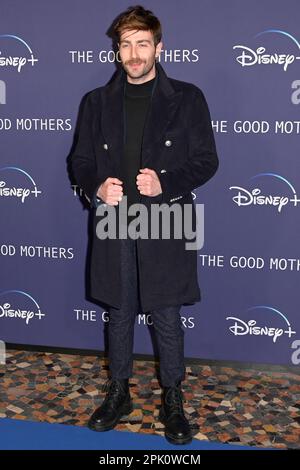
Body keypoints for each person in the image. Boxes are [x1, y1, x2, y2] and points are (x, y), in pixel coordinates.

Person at [70, 5, 218, 445]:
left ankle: (173, 399)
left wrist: (166, 182)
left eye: (142, 44)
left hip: (166, 217)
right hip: (115, 218)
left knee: (166, 313)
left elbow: (207, 160)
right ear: (117, 51)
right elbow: (78, 161)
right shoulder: (95, 102)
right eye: (125, 45)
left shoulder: (187, 98)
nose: (133, 53)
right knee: (118, 311)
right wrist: (96, 187)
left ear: (158, 47)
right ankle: (119, 394)